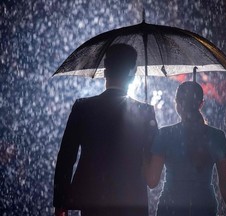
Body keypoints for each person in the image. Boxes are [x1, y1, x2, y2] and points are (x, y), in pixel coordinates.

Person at [53, 44, 158, 216]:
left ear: (105, 71)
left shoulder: (83, 108)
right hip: (132, 199)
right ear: (132, 74)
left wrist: (60, 201)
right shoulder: (145, 112)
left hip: (92, 198)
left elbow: (66, 157)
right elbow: (153, 158)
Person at [145, 81, 226, 216]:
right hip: (204, 207)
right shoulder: (217, 136)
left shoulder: (165, 134)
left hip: (171, 207)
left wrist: (143, 157)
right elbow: (225, 182)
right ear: (201, 104)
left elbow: (152, 181)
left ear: (177, 103)